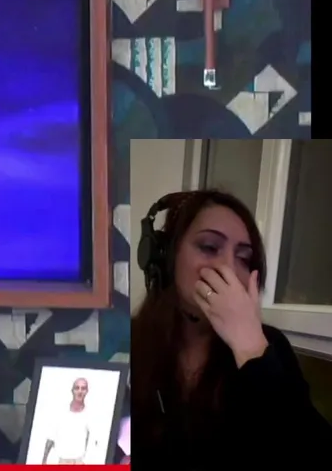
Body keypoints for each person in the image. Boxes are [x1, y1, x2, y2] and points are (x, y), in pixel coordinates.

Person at [132, 189, 332, 467]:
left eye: (244, 259)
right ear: (167, 258)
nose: (229, 268)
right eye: (209, 247)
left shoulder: (270, 346)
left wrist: (251, 348)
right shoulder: (128, 342)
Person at [40, 378, 95, 464]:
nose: (80, 391)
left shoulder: (90, 414)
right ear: (72, 390)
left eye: (83, 388)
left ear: (87, 391)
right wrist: (44, 461)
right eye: (77, 388)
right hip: (62, 461)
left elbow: (93, 442)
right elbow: (50, 437)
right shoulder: (60, 411)